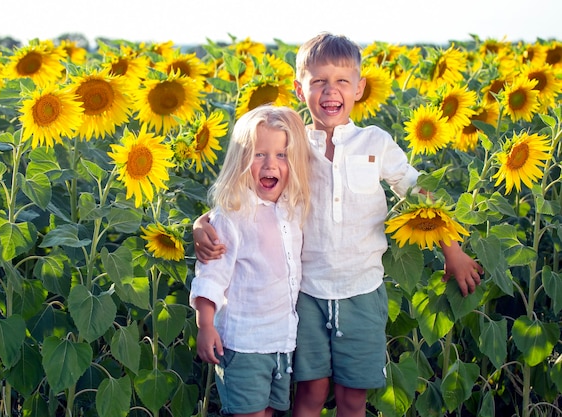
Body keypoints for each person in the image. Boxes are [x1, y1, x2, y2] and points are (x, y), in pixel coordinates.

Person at [194, 33, 484, 417]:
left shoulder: (375, 143)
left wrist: (454, 250)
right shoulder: (294, 143)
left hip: (362, 289)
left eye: (342, 81)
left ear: (360, 88)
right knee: (310, 393)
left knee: (352, 397)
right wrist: (203, 223)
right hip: (307, 294)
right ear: (300, 89)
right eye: (318, 82)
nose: (331, 91)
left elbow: (418, 194)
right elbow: (248, 186)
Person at [189, 105, 312, 417]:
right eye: (259, 154)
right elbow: (211, 275)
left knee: (270, 411)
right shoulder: (232, 216)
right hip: (243, 343)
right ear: (241, 160)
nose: (270, 164)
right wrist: (205, 325)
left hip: (281, 341)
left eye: (281, 155)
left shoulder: (292, 208)